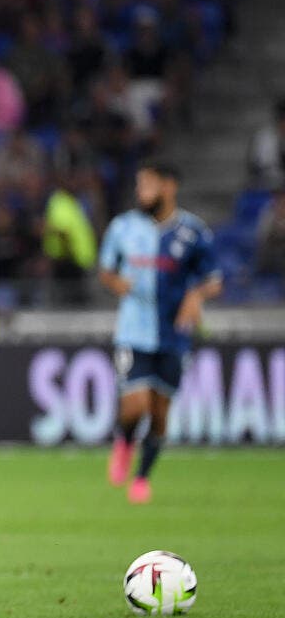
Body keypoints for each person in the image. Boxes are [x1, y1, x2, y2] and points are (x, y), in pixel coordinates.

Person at [99, 161, 222, 504]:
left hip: (174, 334)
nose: (140, 192)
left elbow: (214, 280)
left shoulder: (192, 232)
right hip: (133, 331)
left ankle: (141, 478)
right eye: (139, 185)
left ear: (168, 187)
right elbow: (105, 271)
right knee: (134, 406)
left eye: (147, 185)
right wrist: (117, 282)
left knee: (159, 412)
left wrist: (195, 296)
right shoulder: (123, 227)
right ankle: (124, 442)